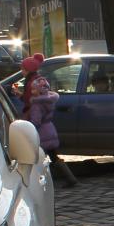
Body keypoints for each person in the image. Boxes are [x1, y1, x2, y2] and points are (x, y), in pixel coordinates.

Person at [19, 54, 77, 188]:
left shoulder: (36, 105)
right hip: (49, 130)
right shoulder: (46, 98)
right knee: (54, 156)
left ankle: (41, 183)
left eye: (23, 69)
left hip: (42, 134)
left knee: (38, 158)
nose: (22, 71)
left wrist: (28, 127)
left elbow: (36, 121)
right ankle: (70, 178)